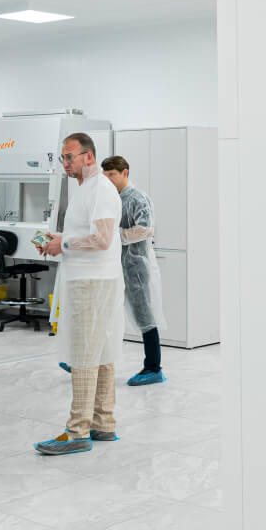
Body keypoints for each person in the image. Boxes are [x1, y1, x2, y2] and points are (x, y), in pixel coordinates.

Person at [35, 133, 124, 456]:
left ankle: (77, 432)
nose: (65, 163)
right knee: (100, 351)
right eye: (62, 158)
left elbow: (102, 239)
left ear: (89, 157)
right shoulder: (86, 189)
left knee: (84, 354)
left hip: (92, 281)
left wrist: (65, 244)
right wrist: (59, 239)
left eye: (70, 157)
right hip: (90, 278)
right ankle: (103, 423)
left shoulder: (100, 189)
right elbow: (87, 234)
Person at [100, 156, 166, 386]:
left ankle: (153, 368)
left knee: (144, 316)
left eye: (112, 175)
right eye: (105, 176)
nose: (108, 180)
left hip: (135, 267)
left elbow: (145, 229)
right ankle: (90, 361)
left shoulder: (138, 198)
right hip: (114, 266)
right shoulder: (113, 198)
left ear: (125, 173)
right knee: (104, 312)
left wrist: (115, 235)